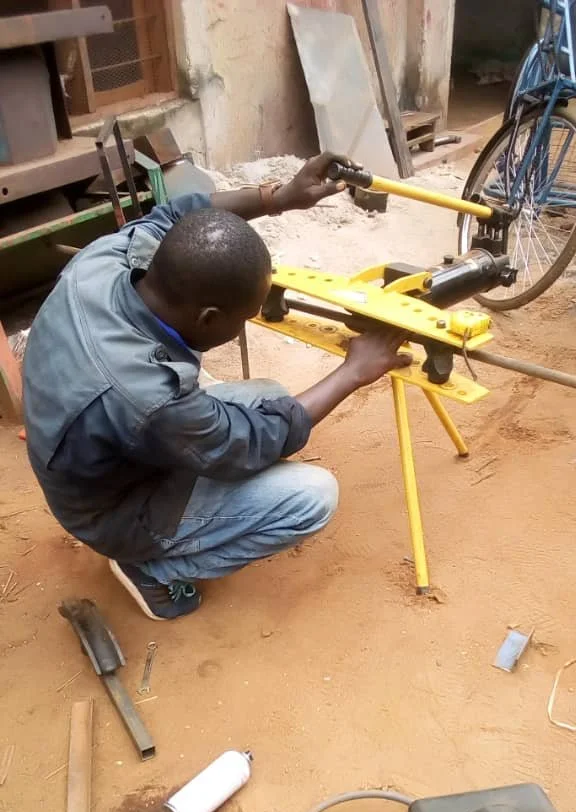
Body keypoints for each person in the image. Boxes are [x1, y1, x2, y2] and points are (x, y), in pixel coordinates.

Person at [23, 152, 404, 621]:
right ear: (209, 319)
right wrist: (353, 371)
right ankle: (154, 568)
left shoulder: (108, 259)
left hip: (91, 457)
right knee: (311, 496)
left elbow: (178, 215)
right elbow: (245, 442)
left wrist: (279, 197)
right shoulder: (150, 396)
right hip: (111, 511)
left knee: (268, 395)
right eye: (243, 318)